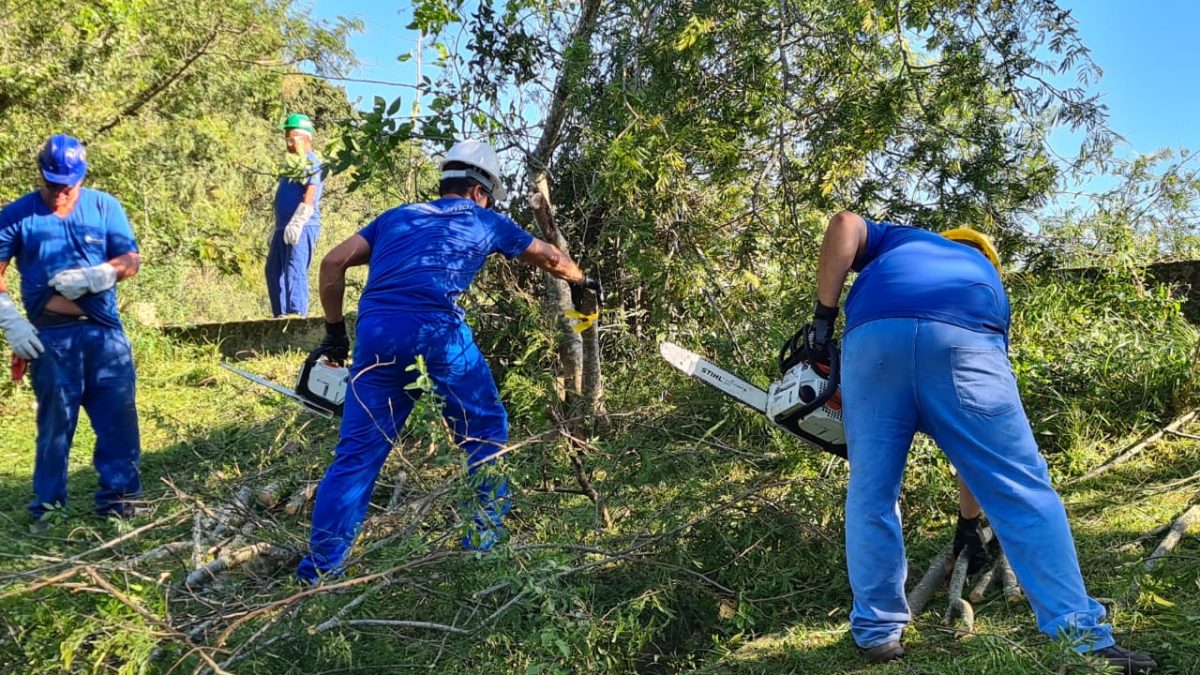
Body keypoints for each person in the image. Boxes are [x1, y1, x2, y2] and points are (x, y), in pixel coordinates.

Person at [803, 211, 1156, 673]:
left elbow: (845, 222)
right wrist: (968, 520)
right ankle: (1081, 635)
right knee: (1019, 488)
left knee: (871, 494)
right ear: (986, 257)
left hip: (873, 341)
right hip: (965, 340)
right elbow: (975, 456)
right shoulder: (987, 282)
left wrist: (822, 322)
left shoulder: (899, 241)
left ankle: (877, 633)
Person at [296, 139, 601, 582]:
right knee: (484, 432)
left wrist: (334, 334)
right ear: (481, 191)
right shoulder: (485, 219)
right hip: (439, 336)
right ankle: (481, 548)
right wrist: (583, 279)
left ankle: (319, 572)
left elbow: (332, 262)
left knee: (356, 457)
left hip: (376, 337)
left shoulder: (396, 217)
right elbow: (551, 257)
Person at [0, 134, 142, 530]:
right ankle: (49, 507)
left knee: (118, 418)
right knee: (55, 425)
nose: (61, 193)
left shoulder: (104, 207)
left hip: (103, 333)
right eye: (53, 184)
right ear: (40, 175)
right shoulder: (17, 216)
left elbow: (131, 258)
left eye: (68, 185)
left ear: (80, 178)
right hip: (51, 337)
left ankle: (121, 501)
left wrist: (102, 273)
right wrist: (11, 321)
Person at [265, 113, 323, 317]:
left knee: (294, 269)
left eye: (291, 138)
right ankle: (279, 317)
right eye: (286, 139)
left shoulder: (311, 162)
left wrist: (298, 221)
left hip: (303, 225)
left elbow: (310, 195)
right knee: (273, 272)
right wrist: (276, 227)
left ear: (305, 137)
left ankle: (296, 316)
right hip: (282, 227)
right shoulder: (290, 165)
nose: (288, 143)